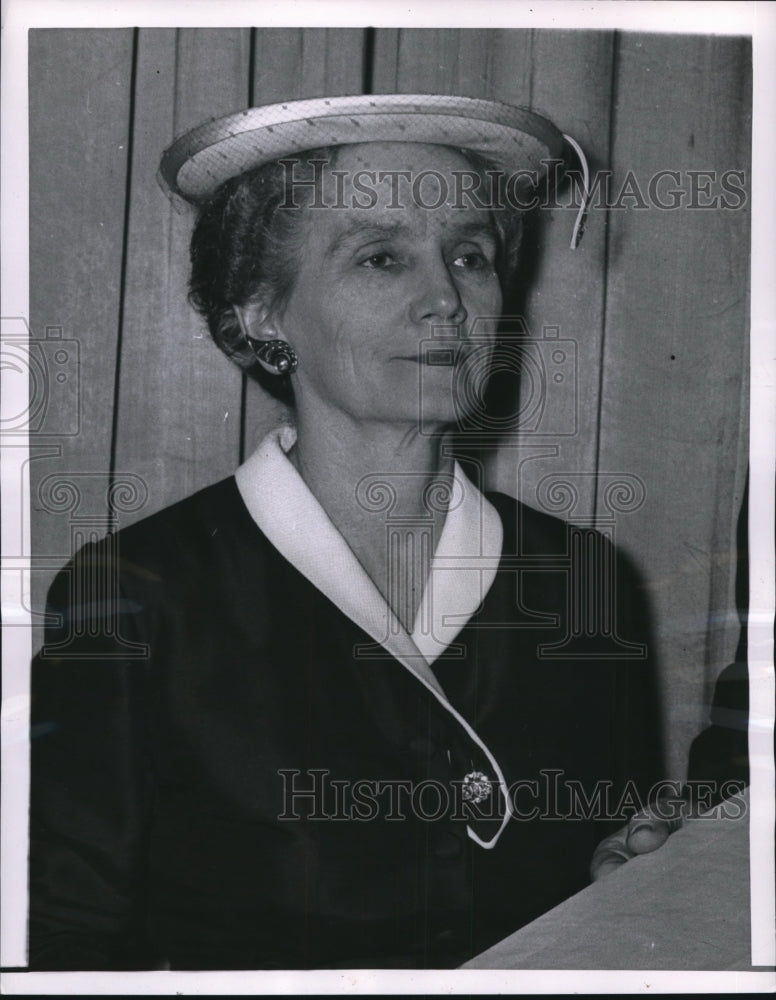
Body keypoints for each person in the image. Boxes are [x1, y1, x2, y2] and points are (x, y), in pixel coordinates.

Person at [28, 94, 668, 971]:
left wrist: (624, 891)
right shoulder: (136, 598)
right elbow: (63, 953)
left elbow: (618, 880)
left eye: (469, 256)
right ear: (260, 315)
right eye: (381, 258)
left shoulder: (584, 579)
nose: (445, 298)